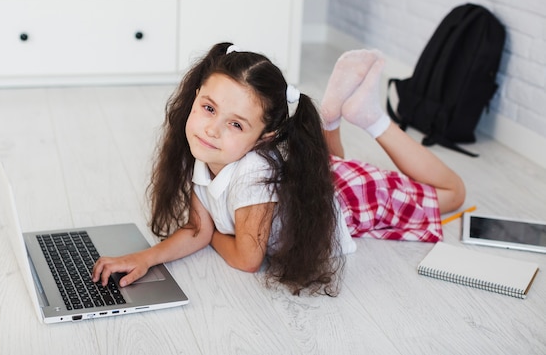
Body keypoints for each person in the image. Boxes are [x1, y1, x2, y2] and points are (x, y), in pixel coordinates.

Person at [92, 42, 465, 296]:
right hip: (315, 181)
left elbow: (246, 258)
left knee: (452, 193)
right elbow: (197, 228)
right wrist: (144, 257)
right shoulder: (208, 152)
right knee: (337, 164)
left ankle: (371, 118)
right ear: (196, 96)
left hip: (351, 196)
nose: (211, 128)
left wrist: (212, 235)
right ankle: (331, 121)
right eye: (208, 108)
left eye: (236, 124)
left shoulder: (253, 178)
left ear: (265, 136)